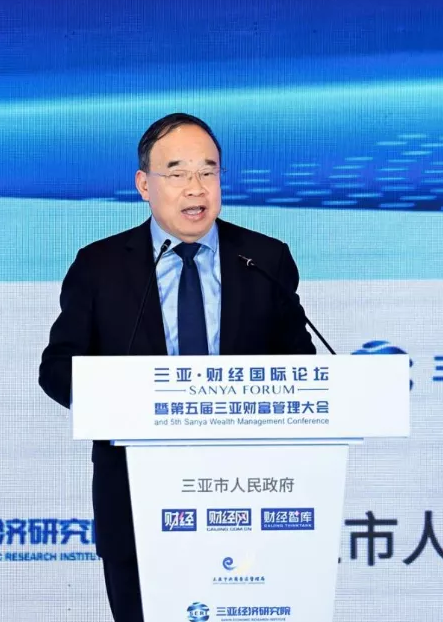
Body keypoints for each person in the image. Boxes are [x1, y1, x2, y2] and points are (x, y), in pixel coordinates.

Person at [38, 112, 315, 622]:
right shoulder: (100, 266)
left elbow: (301, 367)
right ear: (145, 185)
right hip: (136, 497)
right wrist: (114, 397)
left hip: (247, 497)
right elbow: (57, 366)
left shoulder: (264, 259)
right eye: (178, 173)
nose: (196, 188)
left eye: (208, 172)